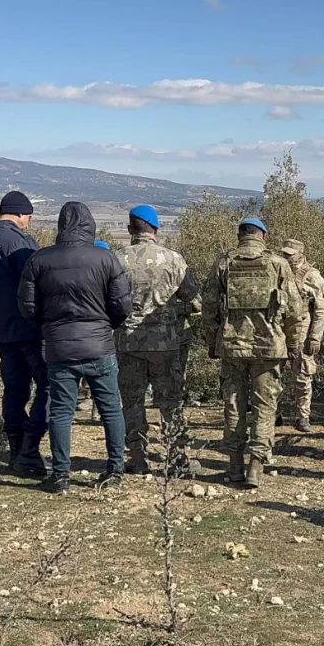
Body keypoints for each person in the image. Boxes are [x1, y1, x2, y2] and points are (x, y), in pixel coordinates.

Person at [17, 202, 133, 494]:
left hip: (59, 346)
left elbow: (27, 306)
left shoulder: (40, 260)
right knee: (110, 409)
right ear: (90, 226)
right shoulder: (105, 259)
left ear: (60, 226)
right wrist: (107, 326)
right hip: (99, 345)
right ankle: (115, 470)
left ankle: (60, 476)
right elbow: (122, 305)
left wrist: (47, 328)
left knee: (60, 411)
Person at [202, 217, 303, 488]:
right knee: (265, 405)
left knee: (233, 403)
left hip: (232, 346)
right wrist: (293, 344)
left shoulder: (224, 263)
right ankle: (255, 467)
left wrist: (213, 342)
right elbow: (294, 310)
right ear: (264, 237)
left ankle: (234, 465)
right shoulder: (278, 264)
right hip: (269, 347)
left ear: (239, 236)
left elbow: (209, 307)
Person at [113, 205, 199, 482]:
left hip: (128, 341)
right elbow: (193, 297)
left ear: (130, 229)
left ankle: (137, 457)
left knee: (132, 400)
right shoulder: (173, 260)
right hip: (166, 342)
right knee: (171, 401)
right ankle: (176, 458)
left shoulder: (116, 260)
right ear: (156, 230)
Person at [0, 191, 50, 477]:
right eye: (29, 216)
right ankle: (30, 448)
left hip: (1, 328)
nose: (29, 221)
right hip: (28, 328)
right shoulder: (19, 241)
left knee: (15, 390)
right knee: (50, 386)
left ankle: (16, 450)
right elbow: (37, 280)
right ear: (20, 213)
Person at [279, 239, 324, 433]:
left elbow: (322, 309)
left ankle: (302, 416)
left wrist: (315, 336)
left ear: (300, 254)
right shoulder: (277, 270)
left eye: (290, 254)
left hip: (302, 330)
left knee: (302, 376)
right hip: (278, 330)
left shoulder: (312, 276)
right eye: (284, 253)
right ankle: (274, 414)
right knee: (273, 374)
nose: (287, 257)